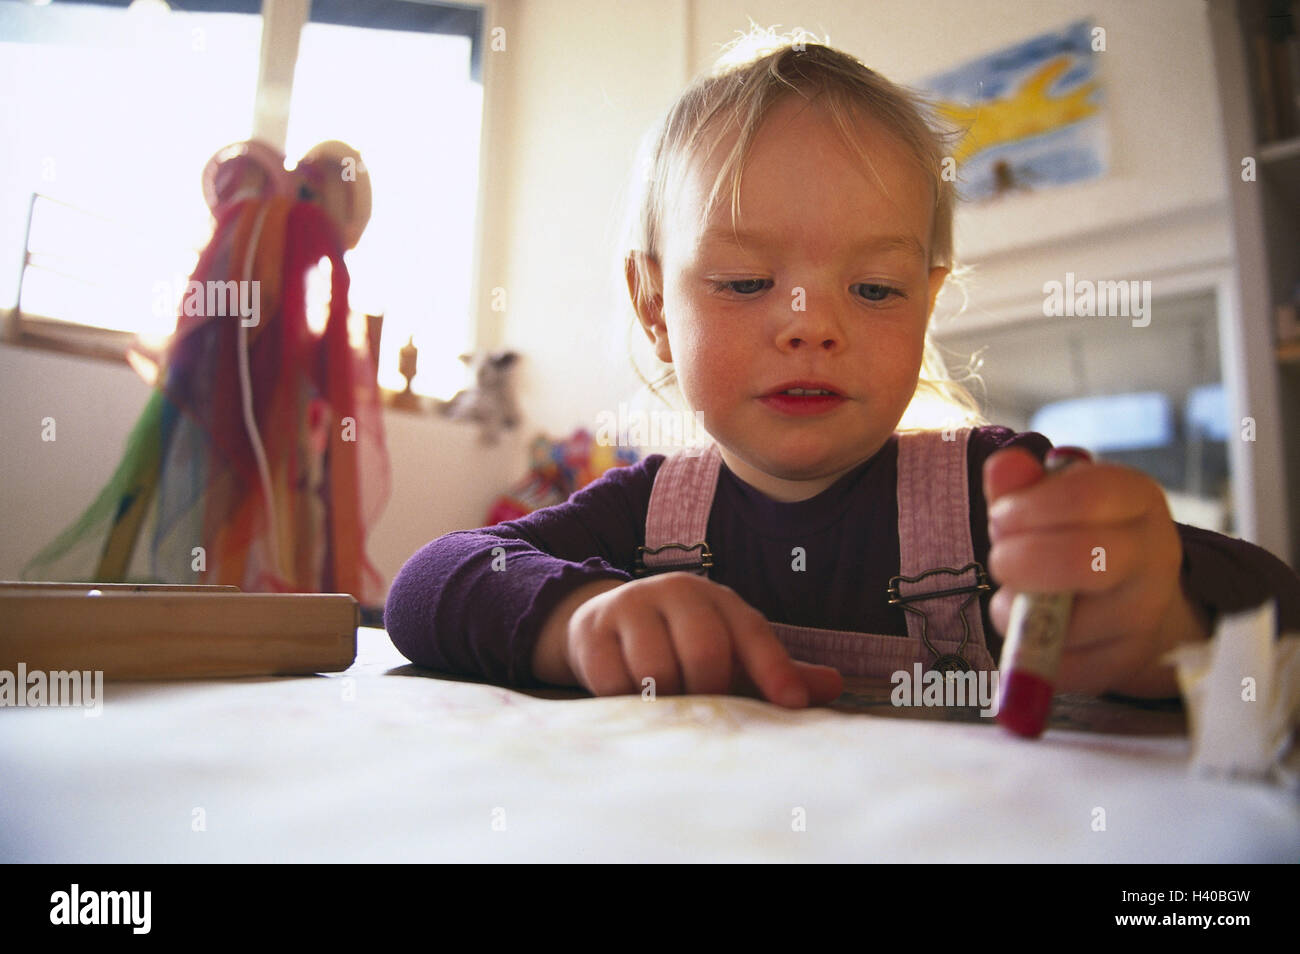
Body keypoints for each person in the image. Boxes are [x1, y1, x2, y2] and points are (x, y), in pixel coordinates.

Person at [385, 40, 1300, 708]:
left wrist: (1162, 626)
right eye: (747, 282)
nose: (812, 326)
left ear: (928, 301)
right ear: (657, 304)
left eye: (872, 288)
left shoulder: (996, 494)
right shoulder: (642, 516)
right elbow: (429, 583)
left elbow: (1275, 603)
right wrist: (578, 619)